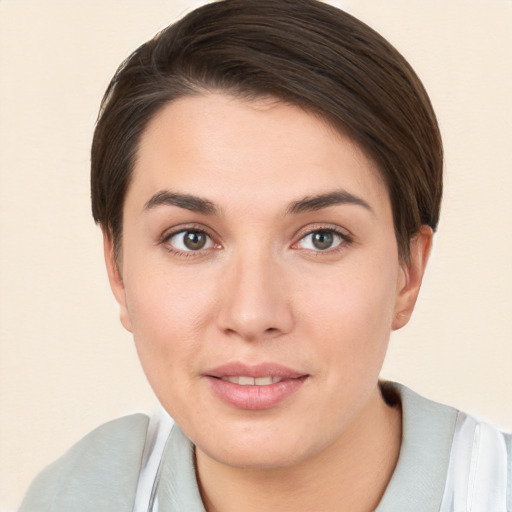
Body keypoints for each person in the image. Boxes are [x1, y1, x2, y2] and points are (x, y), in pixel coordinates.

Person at [19, 1, 511, 511]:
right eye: (191, 238)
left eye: (322, 238)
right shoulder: (75, 495)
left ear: (409, 273)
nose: (252, 315)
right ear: (117, 269)